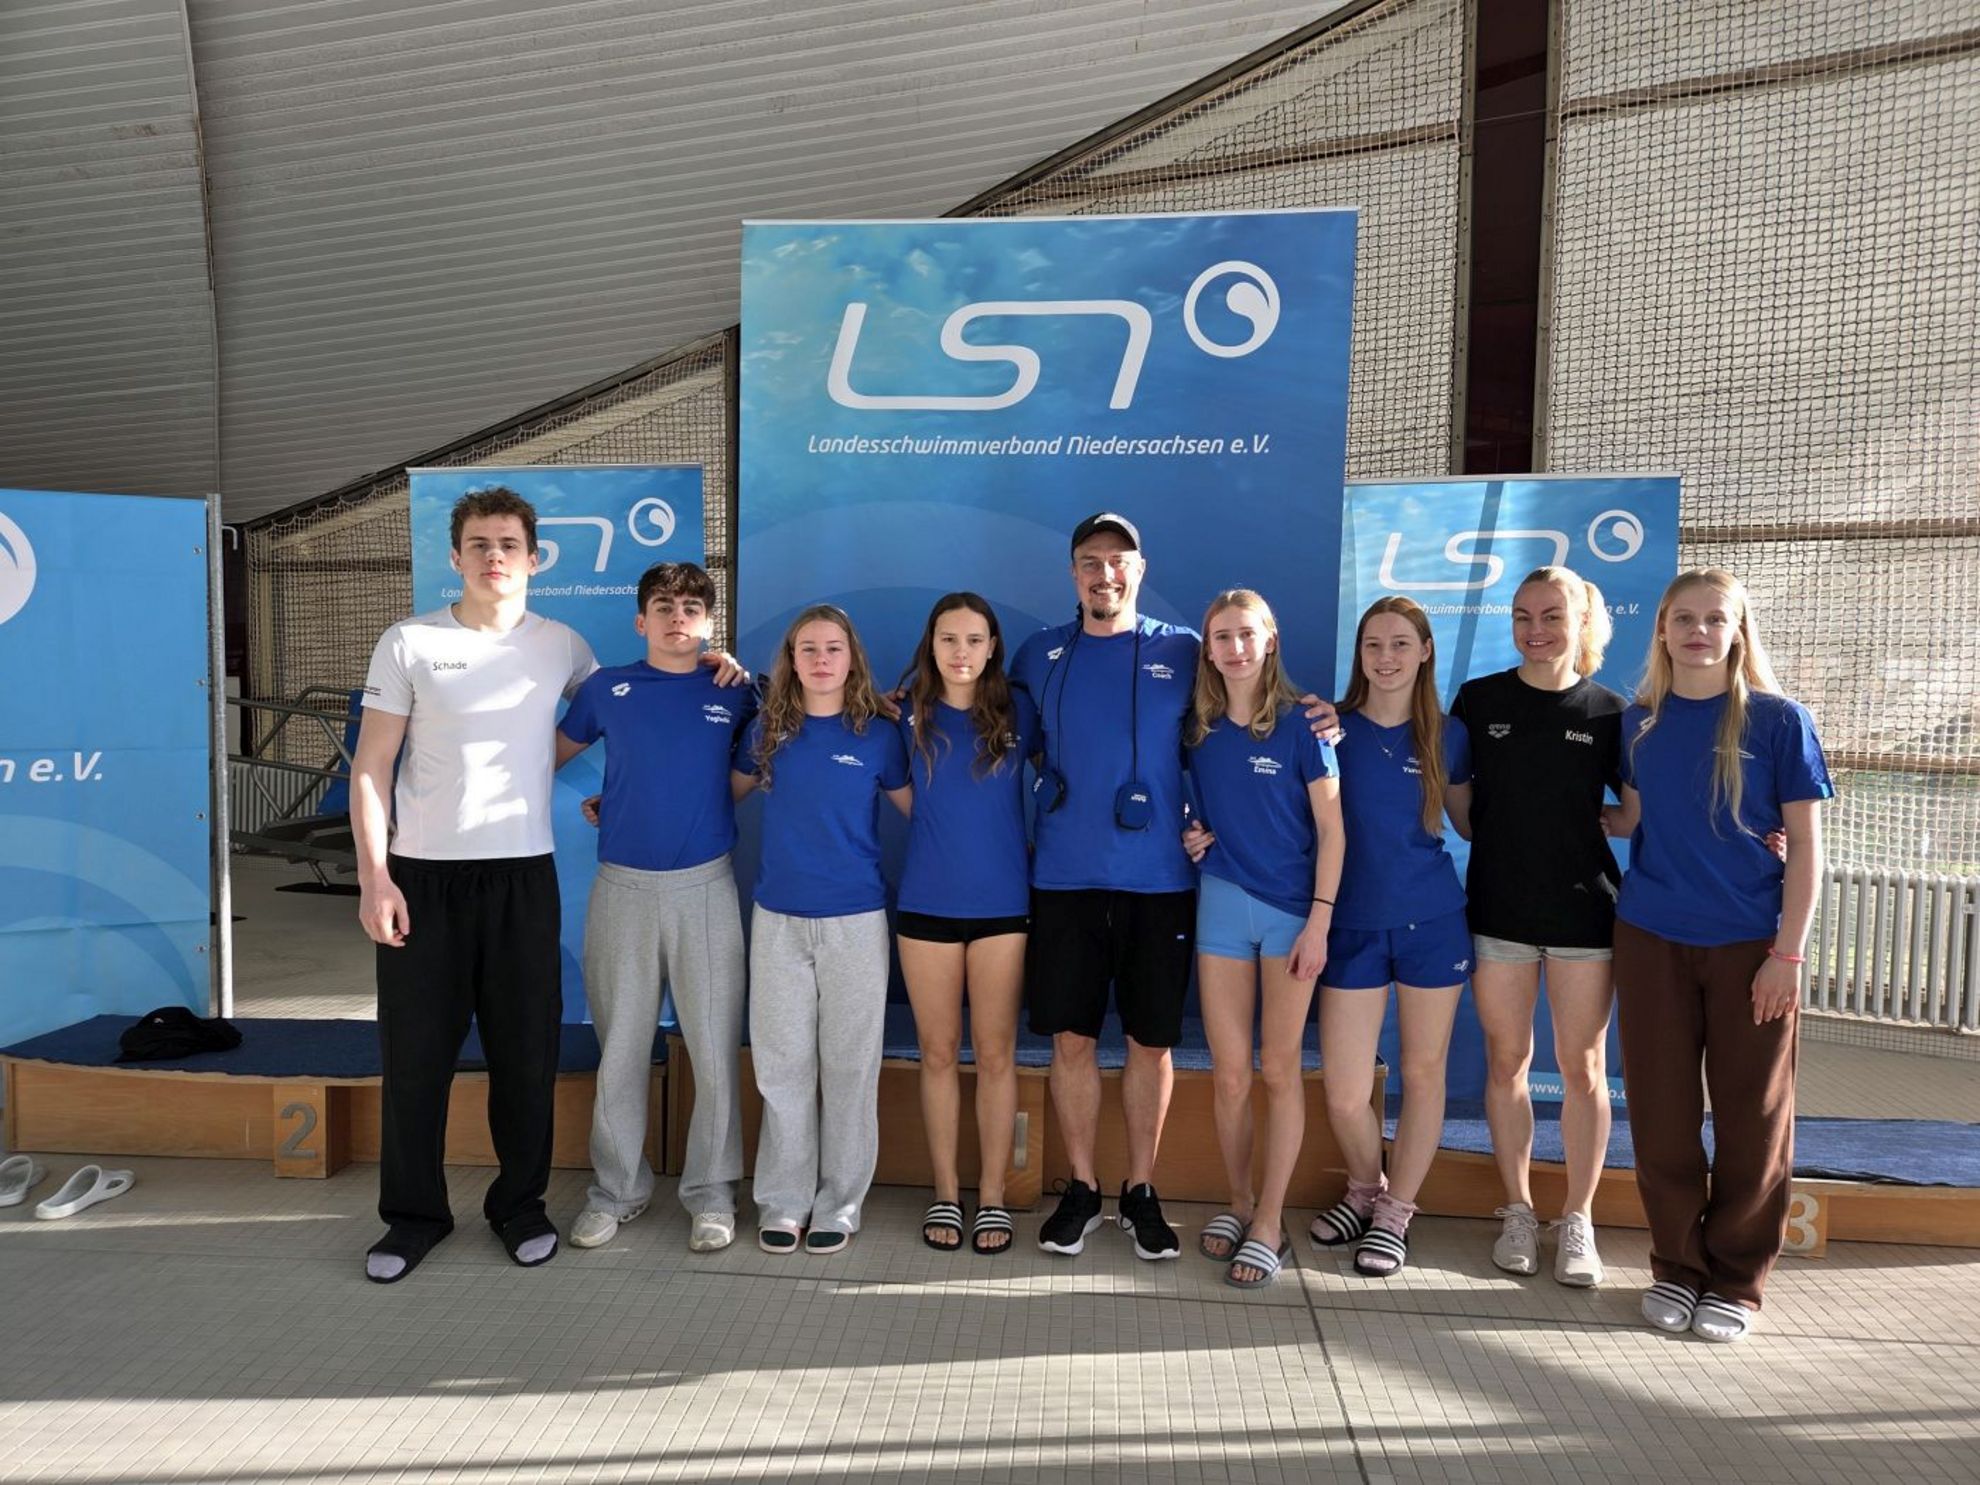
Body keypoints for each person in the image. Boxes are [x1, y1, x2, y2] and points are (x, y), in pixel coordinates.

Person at [351, 487, 596, 1283]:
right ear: (455, 556)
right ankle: (413, 1216)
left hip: (523, 878)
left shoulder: (563, 645)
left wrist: (710, 661)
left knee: (525, 1055)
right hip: (422, 879)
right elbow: (371, 766)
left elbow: (632, 700)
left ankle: (519, 1205)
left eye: (509, 543)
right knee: (415, 1060)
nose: (495, 556)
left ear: (534, 558)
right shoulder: (410, 641)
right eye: (480, 543)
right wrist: (375, 877)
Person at [1609, 568, 1830, 1343]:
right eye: (1684, 618)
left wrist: (1787, 954)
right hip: (1650, 940)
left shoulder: (1779, 721)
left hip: (1750, 949)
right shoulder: (1638, 723)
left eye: (1714, 619)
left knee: (1752, 1117)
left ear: (1738, 631)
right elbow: (1634, 817)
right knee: (1662, 1115)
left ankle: (1735, 1278)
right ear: (1662, 630)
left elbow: (1806, 845)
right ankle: (1677, 1265)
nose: (1698, 631)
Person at [1007, 513, 1202, 1260]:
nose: (1105, 574)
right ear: (1073, 573)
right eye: (1090, 561)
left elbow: (1247, 720)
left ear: (1140, 570)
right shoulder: (1039, 654)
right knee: (1072, 1039)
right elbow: (995, 733)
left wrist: (1322, 717)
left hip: (1159, 883)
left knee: (1151, 1042)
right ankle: (1084, 1189)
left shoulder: (1185, 651)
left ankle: (1141, 1189)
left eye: (1118, 560)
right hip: (1065, 879)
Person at [556, 562, 756, 1255]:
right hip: (623, 890)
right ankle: (616, 1191)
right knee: (620, 1049)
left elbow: (744, 774)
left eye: (692, 606)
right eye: (664, 606)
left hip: (706, 887)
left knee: (714, 1048)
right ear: (641, 619)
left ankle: (712, 1193)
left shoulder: (736, 690)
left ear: (710, 622)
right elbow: (541, 758)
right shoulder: (606, 688)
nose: (678, 616)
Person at [1449, 567, 1625, 1287]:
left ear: (1582, 622)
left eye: (1552, 615)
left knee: (1583, 1068)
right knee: (1507, 1062)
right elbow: (1462, 808)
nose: (1536, 629)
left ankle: (1578, 1218)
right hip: (1501, 910)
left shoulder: (1612, 711)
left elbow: (1634, 813)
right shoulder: (1477, 699)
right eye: (1523, 615)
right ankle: (1519, 1210)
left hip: (1585, 913)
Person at [733, 604, 911, 1256]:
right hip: (778, 920)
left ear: (852, 657)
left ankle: (840, 1200)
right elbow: (713, 795)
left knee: (849, 1067)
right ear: (791, 659)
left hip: (856, 921)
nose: (821, 659)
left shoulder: (880, 736)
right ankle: (783, 1201)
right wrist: (619, 806)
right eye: (807, 648)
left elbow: (928, 815)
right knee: (781, 1066)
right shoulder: (766, 730)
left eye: (833, 647)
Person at [1179, 590, 1344, 1288]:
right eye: (1222, 636)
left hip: (1291, 917)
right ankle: (1239, 1201)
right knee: (1230, 1073)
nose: (1236, 648)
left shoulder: (1307, 724)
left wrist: (1319, 921)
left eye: (1247, 634)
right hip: (1222, 903)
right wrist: (1193, 833)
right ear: (1209, 649)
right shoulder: (1198, 728)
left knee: (1279, 1068)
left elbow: (1333, 831)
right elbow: (1186, 802)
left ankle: (1271, 1221)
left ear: (1270, 639)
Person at [1310, 596, 1473, 1278]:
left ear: (1425, 651)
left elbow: (1471, 823)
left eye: (1401, 643)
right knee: (1346, 1091)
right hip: (1351, 924)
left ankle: (1395, 1211)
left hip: (1432, 923)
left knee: (1424, 1072)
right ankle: (1365, 1186)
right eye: (1373, 644)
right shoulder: (1328, 728)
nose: (1386, 657)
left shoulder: (1450, 736)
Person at [895, 593, 1038, 1257]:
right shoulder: (902, 713)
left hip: (1003, 908)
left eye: (974, 640)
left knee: (997, 1053)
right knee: (937, 1053)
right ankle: (947, 1192)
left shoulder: (1020, 711)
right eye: (948, 638)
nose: (960, 652)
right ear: (931, 644)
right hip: (926, 907)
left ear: (992, 646)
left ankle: (994, 1195)